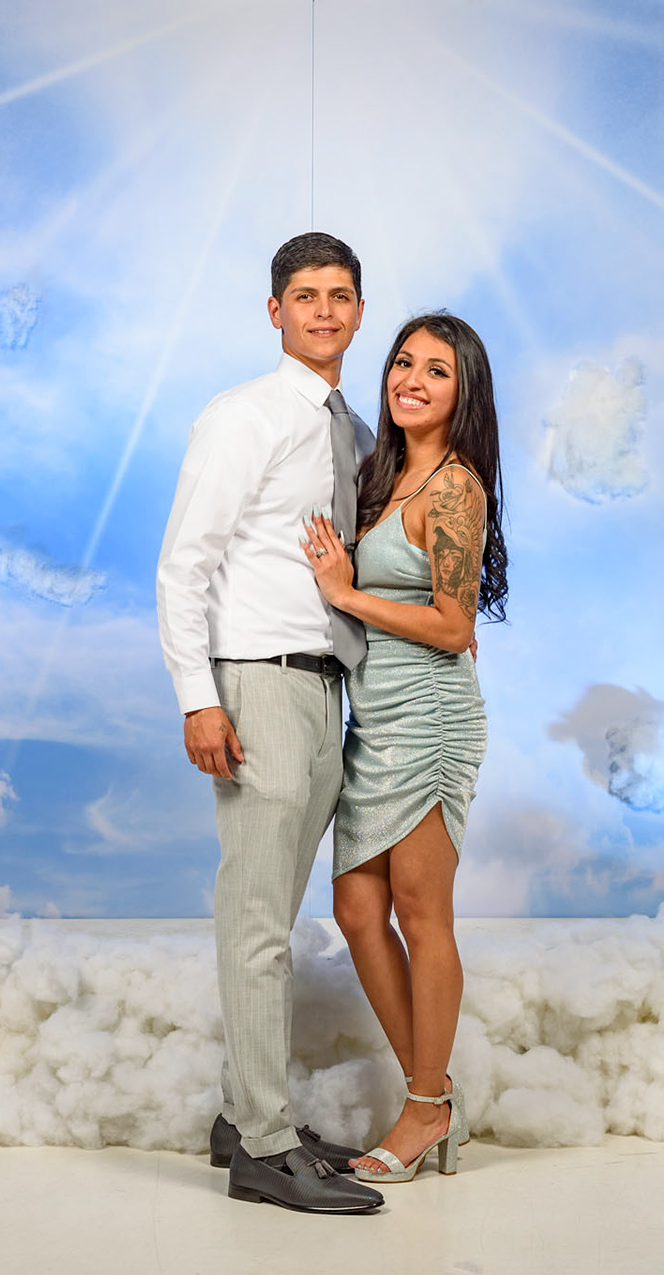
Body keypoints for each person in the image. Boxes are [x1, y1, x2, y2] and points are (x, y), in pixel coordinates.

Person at [155, 232, 385, 1214]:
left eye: (340, 295)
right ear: (275, 311)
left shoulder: (355, 432)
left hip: (325, 689)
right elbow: (185, 562)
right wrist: (198, 696)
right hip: (257, 683)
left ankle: (239, 1115)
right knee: (256, 928)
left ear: (360, 311)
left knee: (273, 923)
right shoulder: (242, 415)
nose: (323, 311)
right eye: (305, 295)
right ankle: (264, 1145)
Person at [299, 311, 507, 1183]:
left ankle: (424, 1107)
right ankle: (437, 1093)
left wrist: (347, 595)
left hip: (428, 719)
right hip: (373, 720)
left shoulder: (455, 488)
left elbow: (454, 628)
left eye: (437, 370)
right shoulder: (381, 474)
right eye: (403, 362)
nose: (412, 380)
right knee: (357, 911)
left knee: (423, 918)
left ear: (464, 394)